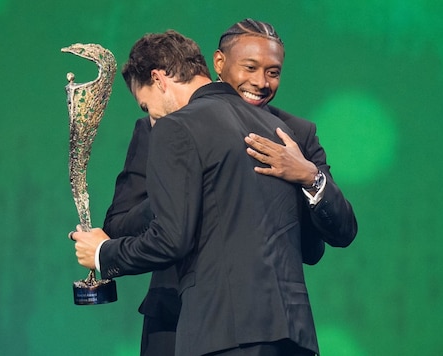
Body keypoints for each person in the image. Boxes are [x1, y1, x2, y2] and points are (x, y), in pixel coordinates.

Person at [72, 29, 354, 355]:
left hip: (226, 326)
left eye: (272, 71)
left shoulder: (287, 135)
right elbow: (122, 222)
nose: (261, 81)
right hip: (189, 317)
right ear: (219, 63)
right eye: (250, 68)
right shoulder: (168, 127)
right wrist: (186, 190)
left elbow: (315, 244)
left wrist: (308, 175)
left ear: (159, 79)